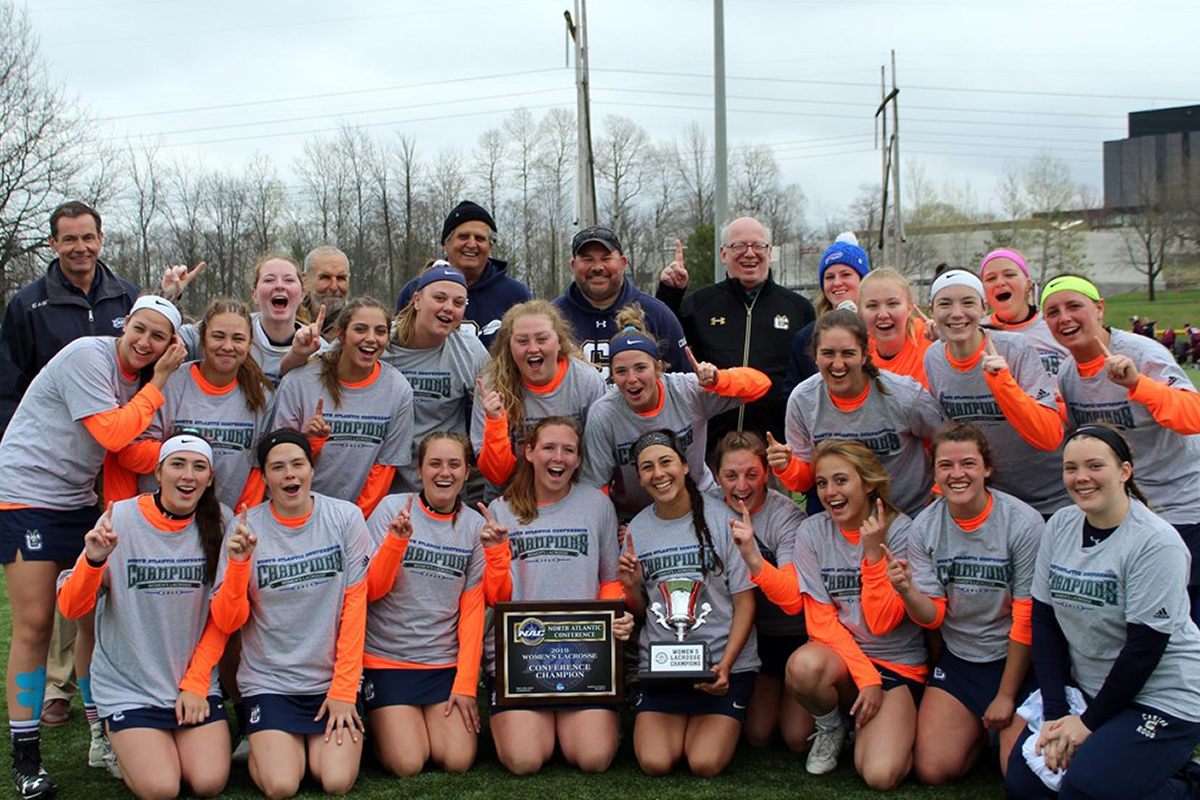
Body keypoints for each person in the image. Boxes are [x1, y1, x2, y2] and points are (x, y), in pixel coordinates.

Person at [0, 294, 185, 796]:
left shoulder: (140, 378)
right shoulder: (88, 354)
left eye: (159, 337)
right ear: (124, 326)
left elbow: (131, 447)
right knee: (37, 622)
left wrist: (179, 453)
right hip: (28, 493)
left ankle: (101, 732)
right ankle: (26, 754)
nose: (145, 343)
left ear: (171, 344)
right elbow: (112, 433)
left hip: (80, 496)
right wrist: (162, 384)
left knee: (94, 617)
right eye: (139, 330)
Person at [1005, 426, 1200, 799]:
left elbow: (1143, 651)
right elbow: (1044, 622)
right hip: (1092, 691)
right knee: (1025, 787)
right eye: (1071, 468)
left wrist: (1088, 724)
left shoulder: (1155, 542)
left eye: (1095, 466)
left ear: (1124, 470)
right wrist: (1057, 713)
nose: (1081, 478)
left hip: (1162, 696)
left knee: (1084, 789)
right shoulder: (1061, 525)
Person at [57, 434, 232, 799]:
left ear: (210, 477)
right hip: (130, 688)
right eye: (178, 464)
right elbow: (72, 608)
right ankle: (119, 739)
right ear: (158, 471)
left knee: (208, 782)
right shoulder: (120, 517)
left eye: (199, 467)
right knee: (161, 788)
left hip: (191, 685)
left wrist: (197, 683)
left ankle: (160, 743)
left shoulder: (222, 522)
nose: (188, 476)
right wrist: (93, 560)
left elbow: (223, 617)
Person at [745, 440, 926, 789]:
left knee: (879, 775)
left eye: (841, 480)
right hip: (843, 661)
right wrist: (865, 678)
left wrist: (873, 557)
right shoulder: (813, 531)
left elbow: (883, 622)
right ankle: (833, 724)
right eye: (823, 483)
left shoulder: (901, 530)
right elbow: (820, 620)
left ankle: (892, 725)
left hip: (895, 663)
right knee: (801, 683)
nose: (830, 492)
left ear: (868, 483)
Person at [209, 429, 370, 799]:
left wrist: (345, 689)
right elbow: (227, 620)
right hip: (271, 683)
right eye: (277, 468)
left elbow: (355, 607)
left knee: (335, 780)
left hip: (330, 683)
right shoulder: (245, 527)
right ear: (264, 477)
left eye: (298, 464)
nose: (290, 475)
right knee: (282, 785)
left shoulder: (345, 517)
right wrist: (237, 564)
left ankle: (296, 743)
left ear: (311, 469)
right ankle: (262, 742)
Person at [886, 422, 1041, 784]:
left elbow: (1026, 617)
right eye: (946, 466)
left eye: (968, 464)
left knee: (1020, 775)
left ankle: (1002, 729)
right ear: (934, 472)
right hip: (962, 658)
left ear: (986, 468)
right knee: (933, 769)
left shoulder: (1022, 523)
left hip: (1016, 660)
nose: (957, 474)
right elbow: (933, 615)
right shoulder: (925, 526)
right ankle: (983, 732)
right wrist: (908, 590)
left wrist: (1005, 694)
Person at [1041, 274, 1200, 623]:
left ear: (1099, 309)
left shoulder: (1142, 354)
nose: (1064, 317)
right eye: (1052, 311)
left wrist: (1137, 384)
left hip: (1180, 508)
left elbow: (1194, 415)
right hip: (1126, 512)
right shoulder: (1068, 374)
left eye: (1074, 306)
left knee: (1179, 619)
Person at [480, 418, 633, 774]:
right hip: (520, 657)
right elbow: (496, 597)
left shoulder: (596, 506)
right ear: (529, 452)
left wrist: (613, 614)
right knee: (525, 760)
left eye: (569, 450)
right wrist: (496, 554)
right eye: (549, 447)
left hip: (583, 653)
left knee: (593, 759)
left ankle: (596, 726)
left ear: (579, 459)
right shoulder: (503, 510)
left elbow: (610, 579)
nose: (558, 458)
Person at [620, 430, 758, 777]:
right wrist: (633, 586)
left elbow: (745, 604)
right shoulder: (638, 528)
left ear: (684, 466)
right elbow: (640, 612)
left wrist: (725, 666)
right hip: (664, 668)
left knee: (704, 763)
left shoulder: (723, 519)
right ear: (640, 478)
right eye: (647, 467)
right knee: (655, 763)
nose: (658, 474)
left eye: (666, 462)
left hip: (719, 667)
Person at [361, 432, 485, 776]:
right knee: (407, 763)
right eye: (434, 463)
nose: (443, 473)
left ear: (467, 472)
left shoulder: (475, 526)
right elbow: (371, 589)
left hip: (441, 664)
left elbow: (473, 610)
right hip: (388, 659)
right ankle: (380, 725)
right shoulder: (392, 508)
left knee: (456, 760)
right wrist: (395, 543)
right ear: (419, 470)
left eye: (454, 464)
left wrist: (465, 683)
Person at [581, 308, 770, 520]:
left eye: (641, 368)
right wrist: (610, 527)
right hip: (634, 516)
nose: (632, 379)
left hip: (699, 502)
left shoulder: (686, 390)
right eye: (621, 371)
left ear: (658, 368)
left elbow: (761, 384)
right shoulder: (604, 414)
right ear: (612, 376)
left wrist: (719, 380)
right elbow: (596, 485)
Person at [656, 216, 815, 444]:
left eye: (758, 245)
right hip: (711, 447)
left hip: (777, 448)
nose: (749, 253)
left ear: (769, 252)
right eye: (739, 246)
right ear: (723, 254)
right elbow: (663, 342)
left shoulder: (799, 309)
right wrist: (670, 293)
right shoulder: (700, 304)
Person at [771, 309, 944, 518]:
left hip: (907, 514)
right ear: (814, 356)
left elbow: (946, 440)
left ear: (864, 354)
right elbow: (805, 480)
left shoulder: (903, 396)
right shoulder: (803, 400)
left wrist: (937, 492)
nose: (837, 364)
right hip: (841, 520)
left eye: (847, 353)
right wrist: (787, 467)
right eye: (827, 353)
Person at [924, 269, 1068, 517]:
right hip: (991, 501)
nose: (956, 313)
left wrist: (1002, 383)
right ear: (931, 311)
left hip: (1051, 497)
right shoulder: (933, 356)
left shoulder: (1014, 348)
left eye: (968, 303)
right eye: (945, 304)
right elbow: (951, 431)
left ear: (983, 308)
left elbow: (1050, 436)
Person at [122, 299, 276, 512]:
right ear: (202, 340)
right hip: (162, 519)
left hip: (223, 521)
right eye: (218, 336)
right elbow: (129, 453)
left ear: (250, 344)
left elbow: (258, 468)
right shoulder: (170, 383)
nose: (227, 346)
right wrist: (187, 449)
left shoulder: (261, 395)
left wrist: (241, 520)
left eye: (238, 338)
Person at [711, 431, 813, 752]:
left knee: (797, 739)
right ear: (716, 477)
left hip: (794, 634)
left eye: (752, 474)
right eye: (731, 475)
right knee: (757, 735)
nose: (742, 485)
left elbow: (791, 599)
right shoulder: (707, 508)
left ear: (766, 473)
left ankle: (832, 714)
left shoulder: (787, 517)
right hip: (750, 639)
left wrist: (753, 556)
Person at [273, 297, 414, 518]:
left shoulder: (398, 389)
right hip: (298, 510)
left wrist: (354, 520)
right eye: (360, 329)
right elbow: (279, 459)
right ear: (341, 334)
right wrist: (310, 441)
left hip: (359, 516)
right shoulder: (300, 382)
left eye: (380, 331)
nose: (371, 339)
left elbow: (383, 468)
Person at [472, 300, 605, 488]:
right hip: (510, 495)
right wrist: (495, 423)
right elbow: (497, 476)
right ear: (509, 346)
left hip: (573, 493)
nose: (533, 348)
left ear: (559, 342)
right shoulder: (491, 386)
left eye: (542, 339)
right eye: (522, 341)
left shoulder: (586, 381)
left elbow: (597, 463)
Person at [383, 263, 489, 493]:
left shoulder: (469, 350)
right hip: (386, 480)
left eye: (458, 303)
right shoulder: (381, 341)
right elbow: (329, 361)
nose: (449, 308)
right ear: (417, 300)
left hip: (445, 481)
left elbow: (495, 404)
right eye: (440, 298)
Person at [553, 225, 687, 378]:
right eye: (587, 259)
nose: (597, 267)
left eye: (606, 258)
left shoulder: (656, 313)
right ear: (573, 265)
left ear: (623, 263)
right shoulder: (553, 317)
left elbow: (683, 385)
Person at [395, 201, 532, 349]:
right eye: (463, 237)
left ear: (490, 246)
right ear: (446, 244)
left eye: (480, 238)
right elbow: (399, 346)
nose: (472, 244)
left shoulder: (515, 295)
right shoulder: (418, 289)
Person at [180, 254, 328, 388]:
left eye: (288, 280)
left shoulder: (319, 349)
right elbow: (166, 337)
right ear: (254, 295)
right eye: (269, 280)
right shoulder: (228, 328)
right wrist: (170, 297)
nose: (279, 285)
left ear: (302, 294)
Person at [784, 237, 871, 396]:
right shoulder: (806, 337)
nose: (837, 283)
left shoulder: (879, 329)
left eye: (846, 275)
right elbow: (793, 395)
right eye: (830, 277)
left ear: (863, 280)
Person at [979, 248, 1068, 377]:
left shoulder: (1055, 326)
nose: (1000, 283)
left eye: (1009, 275)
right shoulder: (976, 332)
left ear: (1028, 285)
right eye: (991, 278)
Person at [857, 267, 932, 387]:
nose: (883, 314)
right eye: (872, 306)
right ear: (860, 313)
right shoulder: (858, 351)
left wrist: (950, 341)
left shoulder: (930, 338)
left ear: (909, 307)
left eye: (892, 304)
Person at [300, 246, 350, 337]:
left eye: (341, 278)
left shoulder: (357, 328)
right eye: (325, 277)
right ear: (305, 280)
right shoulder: (287, 323)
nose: (334, 287)